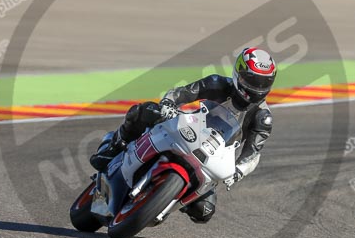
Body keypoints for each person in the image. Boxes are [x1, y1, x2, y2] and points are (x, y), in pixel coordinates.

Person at [90, 47, 276, 224]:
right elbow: (182, 93)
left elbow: (253, 152)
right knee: (144, 111)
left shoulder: (262, 118)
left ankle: (166, 198)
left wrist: (238, 172)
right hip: (187, 130)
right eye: (252, 80)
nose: (256, 87)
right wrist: (169, 104)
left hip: (212, 156)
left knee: (204, 211)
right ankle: (114, 146)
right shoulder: (217, 84)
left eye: (263, 82)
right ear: (239, 73)